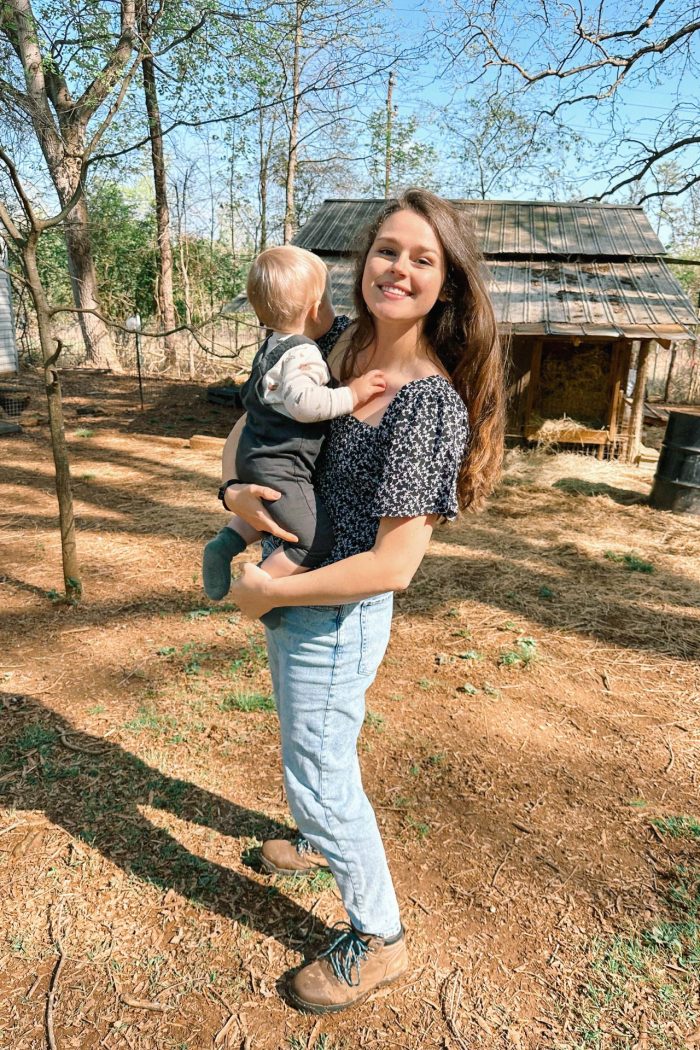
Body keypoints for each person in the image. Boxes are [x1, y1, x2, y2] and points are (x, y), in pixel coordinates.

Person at [221, 190, 505, 1014]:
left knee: (318, 763)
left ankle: (379, 936)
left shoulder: (426, 403)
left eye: (423, 258)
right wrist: (234, 491)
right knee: (308, 742)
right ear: (362, 262)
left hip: (334, 615)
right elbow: (254, 430)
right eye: (388, 250)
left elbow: (392, 566)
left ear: (446, 284)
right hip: (296, 593)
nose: (400, 268)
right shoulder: (332, 348)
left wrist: (269, 591)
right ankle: (317, 840)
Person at [202, 244, 385, 601]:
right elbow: (304, 403)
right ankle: (258, 587)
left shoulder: (271, 346)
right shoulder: (305, 353)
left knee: (276, 510)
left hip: (256, 455)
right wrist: (352, 395)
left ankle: (225, 545)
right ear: (316, 308)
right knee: (312, 541)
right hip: (283, 464)